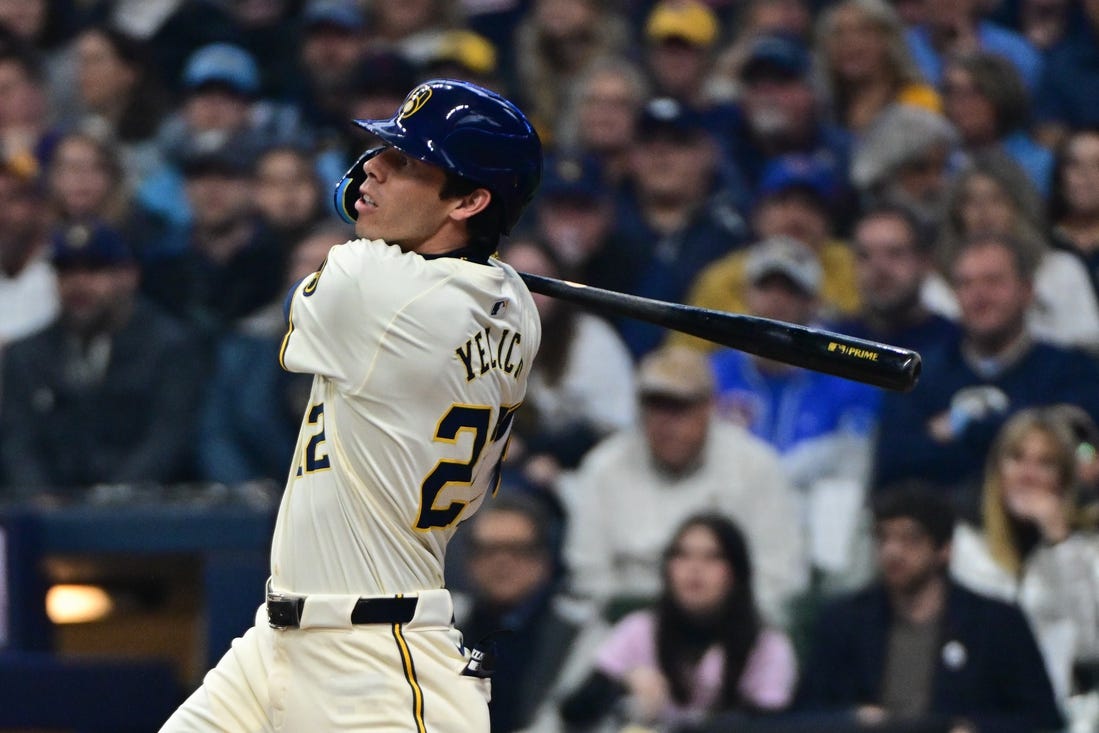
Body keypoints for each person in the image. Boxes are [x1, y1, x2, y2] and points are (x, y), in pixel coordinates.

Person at [159, 79, 544, 733]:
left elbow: (314, 283)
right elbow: (463, 265)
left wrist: (351, 203)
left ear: (471, 199)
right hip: (278, 642)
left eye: (406, 164)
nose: (370, 169)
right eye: (380, 152)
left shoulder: (373, 287)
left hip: (378, 668)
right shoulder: (514, 306)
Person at [562, 344, 808, 628]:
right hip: (624, 629)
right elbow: (588, 572)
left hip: (730, 628)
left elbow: (780, 574)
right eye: (655, 405)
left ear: (709, 407)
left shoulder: (757, 466)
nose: (666, 422)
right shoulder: (603, 466)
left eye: (679, 407)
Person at [795, 487, 1065, 733]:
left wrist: (974, 729)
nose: (893, 551)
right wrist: (851, 719)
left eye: (909, 539)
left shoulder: (996, 623)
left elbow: (1041, 719)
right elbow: (802, 714)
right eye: (883, 537)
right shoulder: (844, 621)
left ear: (944, 550)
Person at [871, 232, 1099, 516]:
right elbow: (893, 464)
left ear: (1026, 291)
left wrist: (961, 427)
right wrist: (1020, 438)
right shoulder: (918, 372)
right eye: (966, 284)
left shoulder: (1071, 371)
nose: (979, 296)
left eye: (993, 281)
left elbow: (1080, 456)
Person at [0, 222, 205, 495]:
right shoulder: (27, 354)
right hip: (48, 519)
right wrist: (40, 497)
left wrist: (112, 497)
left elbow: (168, 438)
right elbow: (18, 442)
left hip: (145, 514)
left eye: (95, 270)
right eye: (66, 271)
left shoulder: (169, 347)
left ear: (129, 276)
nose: (78, 284)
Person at [560, 513, 798, 732]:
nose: (694, 569)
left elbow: (770, 725)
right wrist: (622, 687)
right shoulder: (639, 630)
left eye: (712, 557)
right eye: (682, 556)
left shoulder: (767, 646)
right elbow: (573, 713)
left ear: (737, 572)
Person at [951, 408, 1099, 707]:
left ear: (1064, 478)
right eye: (1016, 458)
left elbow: (1090, 647)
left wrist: (1060, 542)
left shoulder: (1087, 549)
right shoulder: (966, 542)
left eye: (1045, 463)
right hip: (974, 704)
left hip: (1060, 708)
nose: (1027, 475)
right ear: (997, 470)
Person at [452, 493, 604, 733]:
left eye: (517, 549)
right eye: (489, 550)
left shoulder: (578, 632)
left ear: (544, 560)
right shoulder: (446, 625)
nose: (502, 561)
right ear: (469, 562)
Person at [828, 203, 960, 357]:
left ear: (924, 262)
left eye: (894, 253)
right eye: (865, 255)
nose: (879, 267)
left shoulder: (956, 345)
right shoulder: (834, 341)